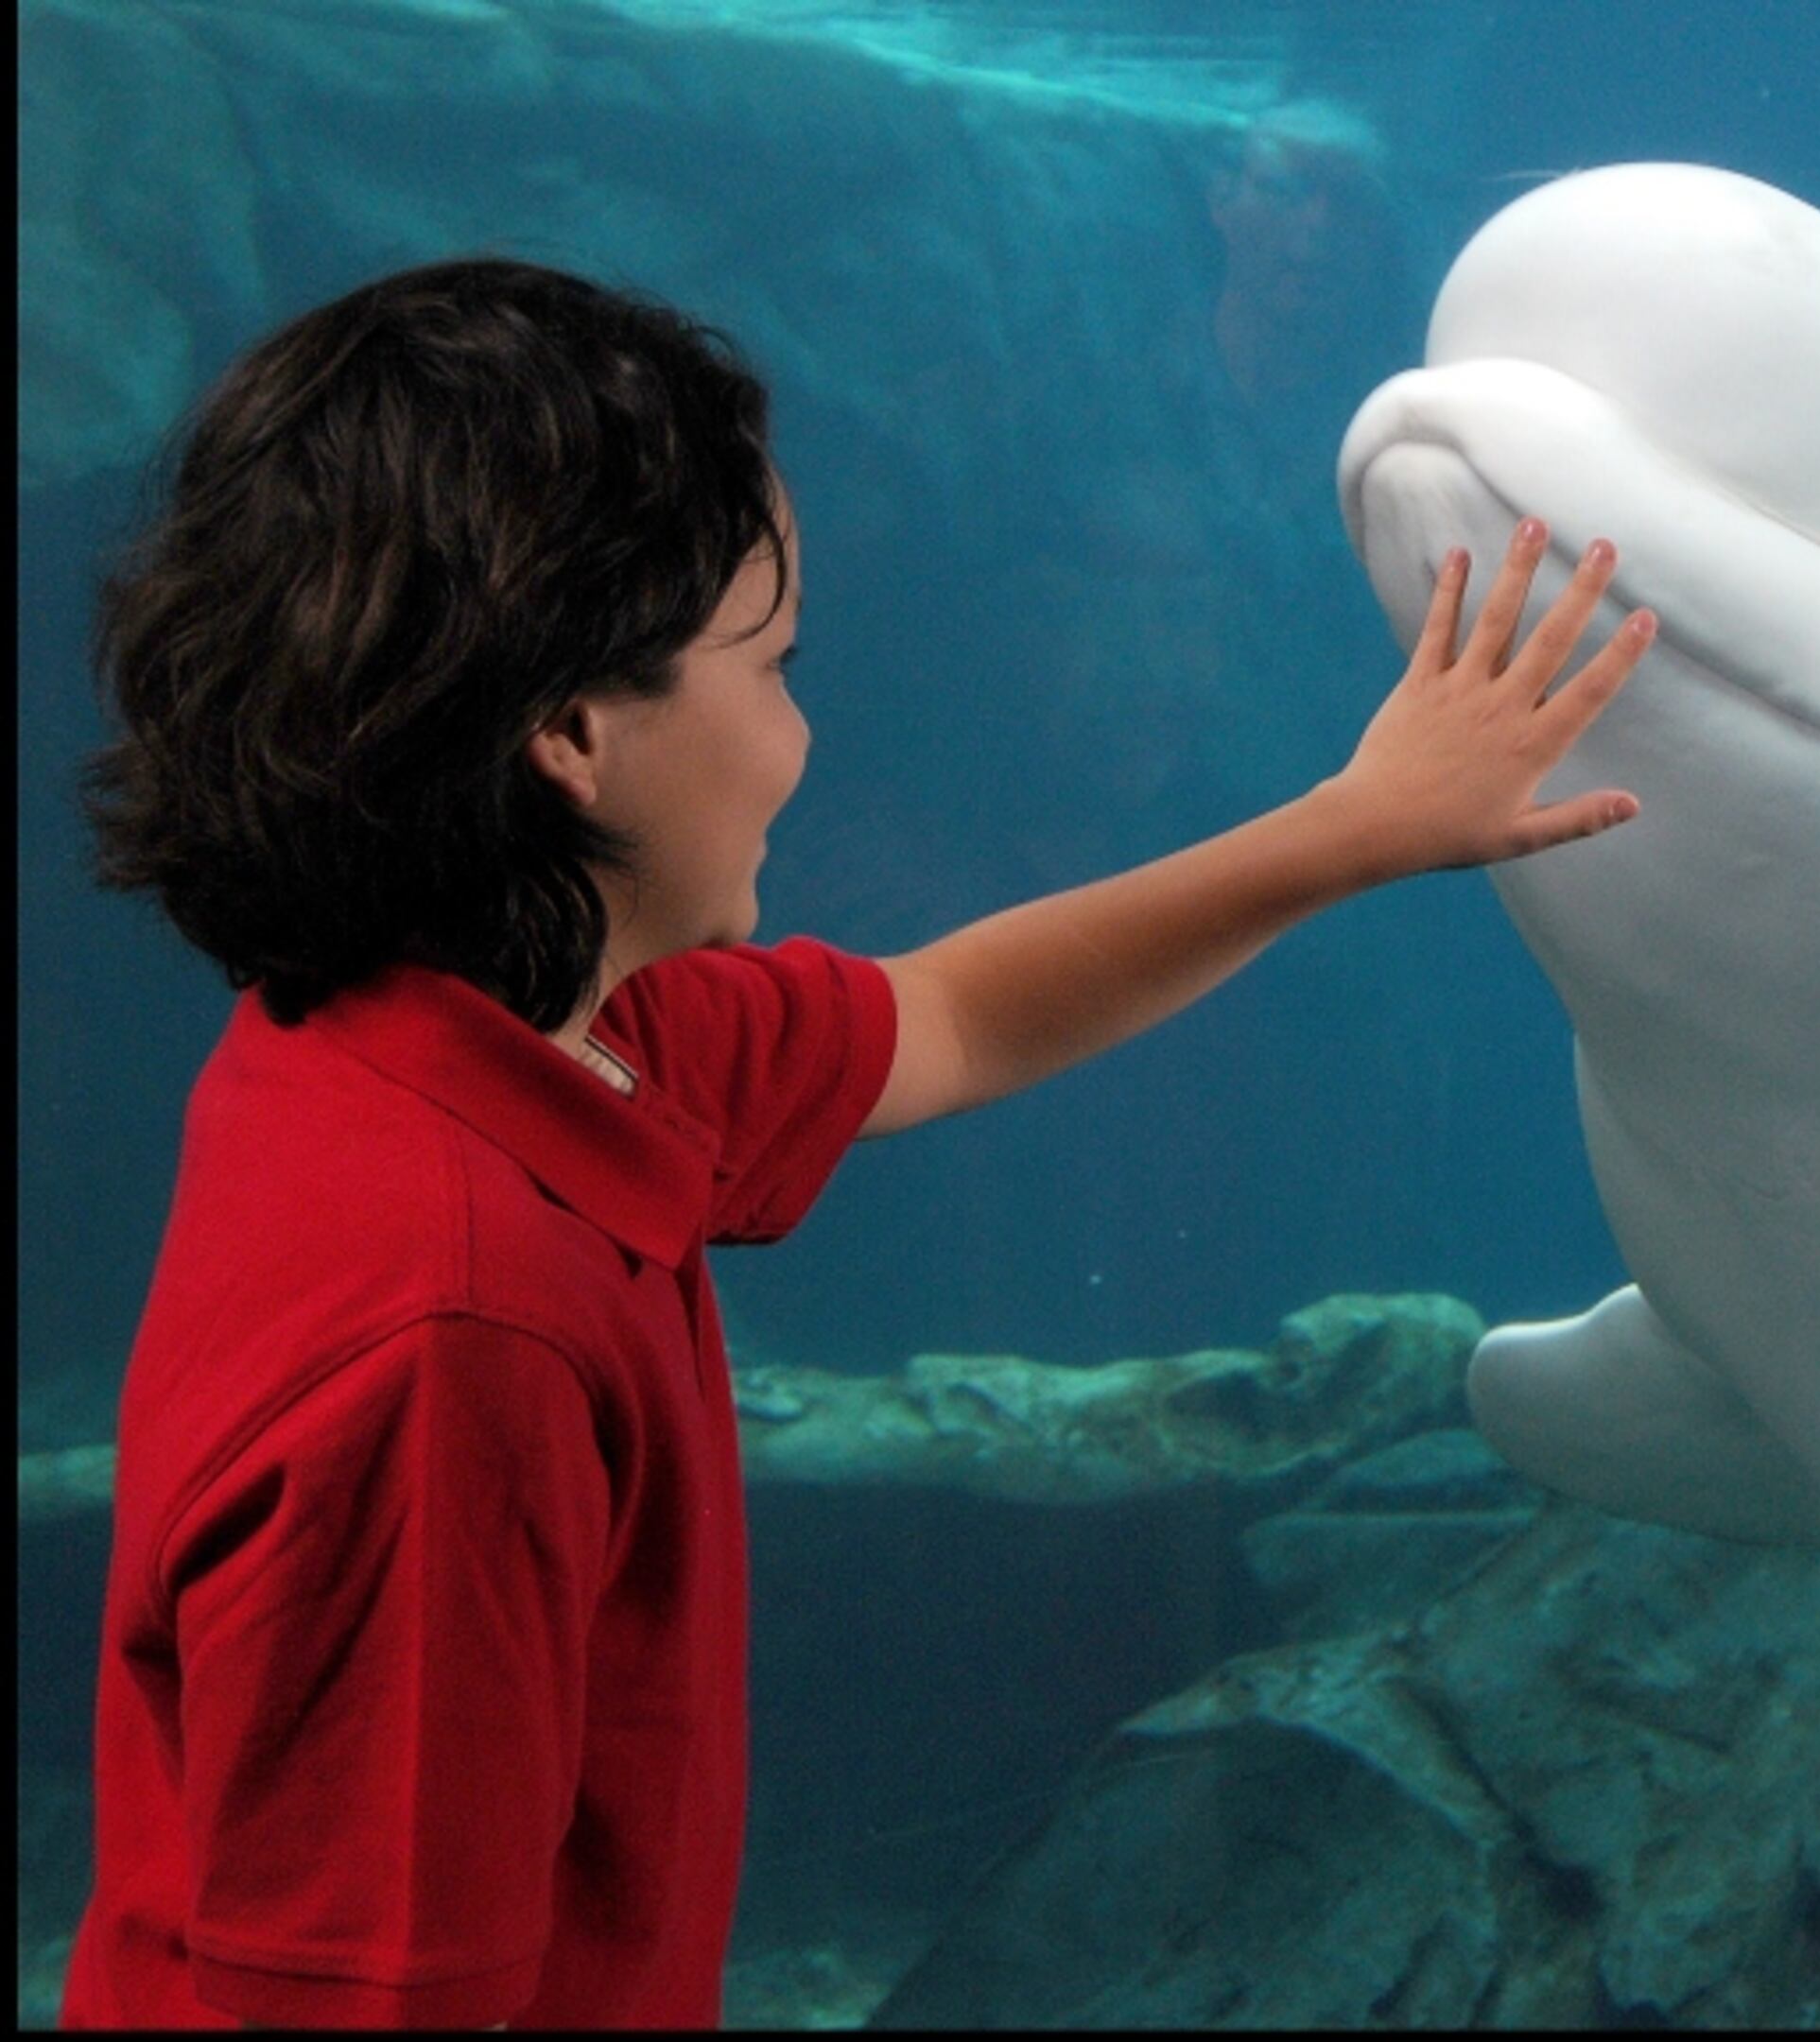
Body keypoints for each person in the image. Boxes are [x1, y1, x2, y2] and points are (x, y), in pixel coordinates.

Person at [57, 256, 1652, 2029]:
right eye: (773, 658)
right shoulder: (457, 1344)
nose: (806, 731)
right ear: (573, 735)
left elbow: (956, 1014)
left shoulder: (467, 1033)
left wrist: (1358, 826)